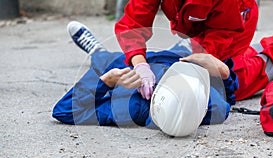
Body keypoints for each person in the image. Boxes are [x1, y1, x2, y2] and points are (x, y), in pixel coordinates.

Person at [52, 21, 238, 135]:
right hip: (181, 57)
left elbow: (64, 111)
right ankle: (185, 44)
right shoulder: (213, 108)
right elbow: (228, 98)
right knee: (185, 51)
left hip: (128, 68)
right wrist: (225, 74)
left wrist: (105, 82)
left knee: (107, 60)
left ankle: (96, 50)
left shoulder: (134, 109)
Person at [115, 0, 273, 100]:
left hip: (233, 23)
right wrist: (140, 65)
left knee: (224, 85)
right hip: (195, 23)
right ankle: (256, 52)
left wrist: (204, 67)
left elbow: (224, 32)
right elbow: (133, 23)